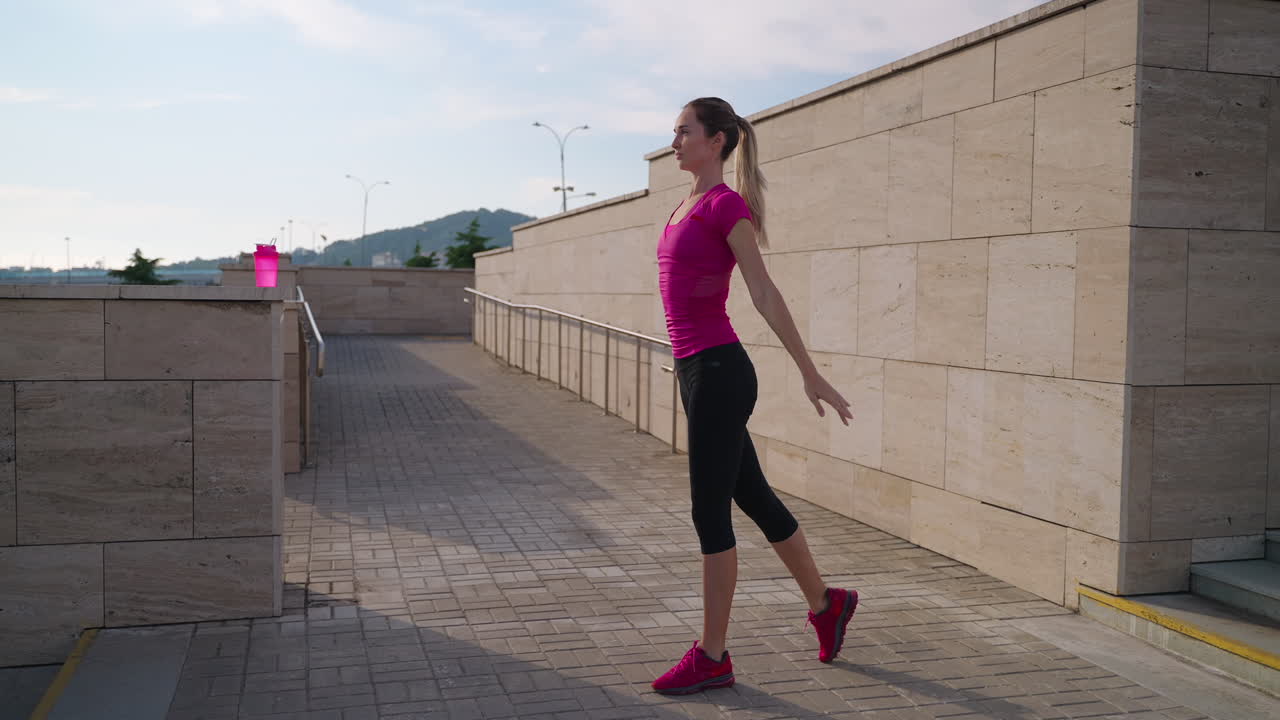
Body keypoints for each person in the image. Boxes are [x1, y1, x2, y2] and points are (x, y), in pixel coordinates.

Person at [650, 96, 859, 696]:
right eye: (674, 131)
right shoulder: (682, 206)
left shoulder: (725, 205)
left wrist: (809, 371)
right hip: (697, 372)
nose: (675, 140)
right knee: (757, 498)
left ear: (715, 140)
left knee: (708, 513)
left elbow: (763, 292)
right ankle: (827, 603)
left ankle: (712, 657)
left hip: (721, 373)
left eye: (683, 131)